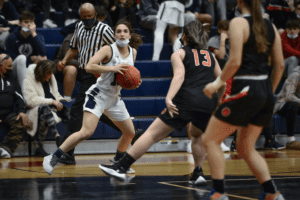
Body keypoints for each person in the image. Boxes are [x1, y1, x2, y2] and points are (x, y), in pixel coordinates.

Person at [98, 21, 225, 185]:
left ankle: (121, 168)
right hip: (207, 101)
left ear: (183, 36)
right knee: (197, 134)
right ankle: (198, 173)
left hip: (186, 99)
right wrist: (219, 101)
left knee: (151, 134)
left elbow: (179, 76)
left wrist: (169, 98)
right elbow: (222, 82)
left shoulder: (179, 53)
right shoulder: (210, 56)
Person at [201, 0, 285, 198]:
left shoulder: (238, 23)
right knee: (245, 147)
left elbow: (235, 60)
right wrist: (266, 94)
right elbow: (280, 66)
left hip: (246, 87)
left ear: (239, 2)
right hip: (265, 90)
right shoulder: (271, 26)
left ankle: (219, 193)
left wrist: (215, 84)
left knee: (211, 139)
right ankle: (272, 193)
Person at [42, 18, 143, 175]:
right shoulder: (108, 49)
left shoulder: (133, 52)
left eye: (125, 31)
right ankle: (52, 158)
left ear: (130, 34)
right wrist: (112, 68)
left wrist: (133, 82)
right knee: (86, 132)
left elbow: (126, 77)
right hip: (98, 95)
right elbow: (89, 66)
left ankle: (118, 163)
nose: (122, 34)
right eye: (118, 31)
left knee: (130, 133)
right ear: (114, 34)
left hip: (115, 99)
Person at [23, 60, 71, 156]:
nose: (50, 76)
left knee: (46, 115)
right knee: (45, 109)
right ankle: (57, 137)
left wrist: (60, 101)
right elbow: (30, 100)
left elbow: (56, 94)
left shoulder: (51, 78)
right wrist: (52, 101)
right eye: (48, 73)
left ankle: (39, 147)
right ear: (41, 72)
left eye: (51, 73)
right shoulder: (29, 78)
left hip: (48, 110)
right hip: (34, 109)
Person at [6, 11, 47, 92]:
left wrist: (34, 33)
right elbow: (11, 59)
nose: (29, 25)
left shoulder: (37, 36)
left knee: (43, 58)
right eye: (26, 22)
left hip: (30, 68)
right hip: (16, 67)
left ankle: (40, 90)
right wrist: (30, 59)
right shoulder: (12, 37)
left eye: (31, 22)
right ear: (20, 24)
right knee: (21, 58)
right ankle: (24, 91)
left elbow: (43, 53)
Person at [0, 53, 30, 158]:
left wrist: (21, 111)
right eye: (9, 66)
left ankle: (4, 149)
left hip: (8, 114)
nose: (12, 68)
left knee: (21, 121)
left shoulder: (12, 76)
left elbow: (18, 95)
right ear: (0, 66)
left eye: (12, 65)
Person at [272, 68, 300, 150]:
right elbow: (289, 96)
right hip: (283, 105)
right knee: (293, 104)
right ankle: (290, 140)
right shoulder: (295, 76)